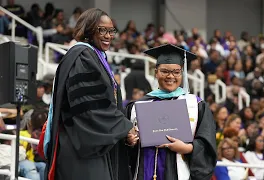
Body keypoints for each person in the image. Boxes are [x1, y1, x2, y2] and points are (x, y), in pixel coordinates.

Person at [40, 8, 135, 180]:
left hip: (92, 144)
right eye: (102, 30)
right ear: (89, 29)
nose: (108, 35)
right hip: (82, 148)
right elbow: (90, 107)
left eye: (111, 30)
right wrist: (124, 128)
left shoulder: (96, 57)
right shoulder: (82, 56)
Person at [126, 44, 217, 180]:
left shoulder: (196, 105)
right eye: (165, 71)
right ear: (155, 72)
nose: (170, 76)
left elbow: (207, 145)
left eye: (176, 72)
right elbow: (124, 150)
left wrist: (187, 149)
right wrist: (129, 141)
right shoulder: (137, 106)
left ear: (182, 73)